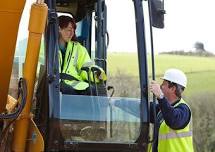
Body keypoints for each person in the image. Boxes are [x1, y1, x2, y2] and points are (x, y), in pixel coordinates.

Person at [58, 15, 106, 95]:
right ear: (59, 29)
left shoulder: (79, 49)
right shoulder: (49, 47)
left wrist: (97, 73)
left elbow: (87, 65)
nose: (72, 33)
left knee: (96, 91)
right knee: (65, 90)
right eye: (69, 30)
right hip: (55, 83)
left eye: (73, 30)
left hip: (73, 83)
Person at [149, 68, 194, 152]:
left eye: (164, 84)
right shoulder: (162, 108)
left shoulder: (184, 110)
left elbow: (173, 119)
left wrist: (160, 96)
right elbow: (143, 109)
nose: (160, 86)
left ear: (173, 88)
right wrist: (120, 103)